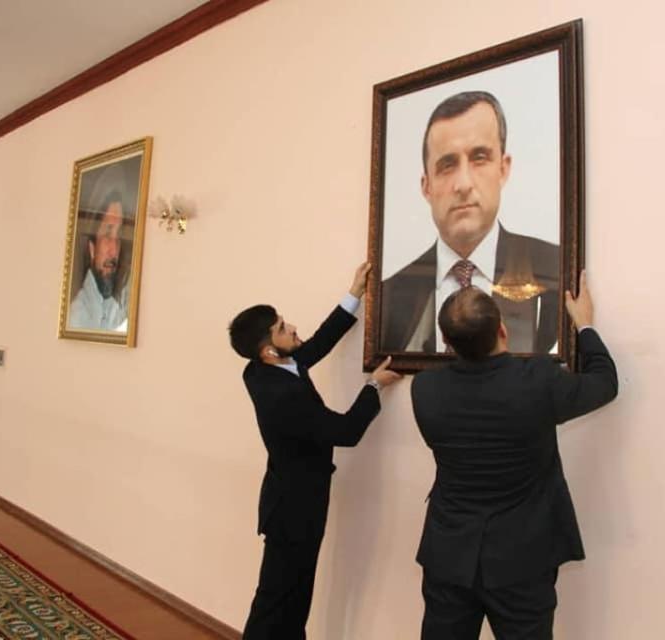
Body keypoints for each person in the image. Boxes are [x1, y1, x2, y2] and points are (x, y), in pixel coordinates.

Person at [410, 272, 617, 639]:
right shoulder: (538, 381)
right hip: (522, 559)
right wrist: (584, 325)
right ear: (502, 330)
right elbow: (604, 383)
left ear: (445, 341)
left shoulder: (424, 389)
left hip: (449, 556)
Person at [230, 263, 403, 640]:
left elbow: (314, 346)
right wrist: (374, 387)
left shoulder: (263, 370)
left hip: (289, 501)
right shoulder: (283, 395)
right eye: (281, 328)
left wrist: (353, 293)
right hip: (295, 511)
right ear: (268, 350)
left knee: (290, 597)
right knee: (278, 601)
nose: (291, 327)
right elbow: (345, 431)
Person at [381, 90, 559, 354]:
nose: (463, 184)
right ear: (426, 186)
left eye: (479, 158)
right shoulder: (392, 292)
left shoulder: (554, 267)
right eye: (447, 165)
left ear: (503, 168)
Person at [69, 191, 129, 331]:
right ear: (92, 249)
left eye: (118, 236)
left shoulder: (118, 311)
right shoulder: (77, 316)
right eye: (107, 234)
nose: (114, 250)